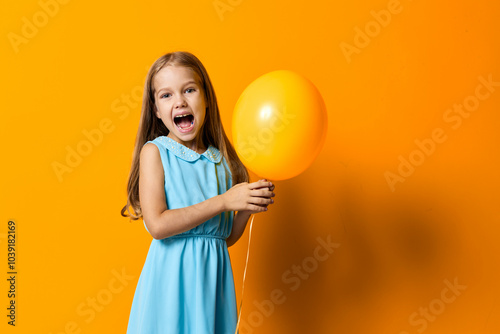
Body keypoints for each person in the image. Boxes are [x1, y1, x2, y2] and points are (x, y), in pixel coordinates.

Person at [121, 51, 275, 334]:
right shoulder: (155, 153)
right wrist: (224, 201)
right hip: (171, 285)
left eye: (189, 90)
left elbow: (223, 237)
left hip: (212, 285)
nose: (179, 101)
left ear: (206, 98)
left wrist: (246, 209)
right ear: (155, 109)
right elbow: (157, 225)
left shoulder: (223, 162)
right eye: (166, 95)